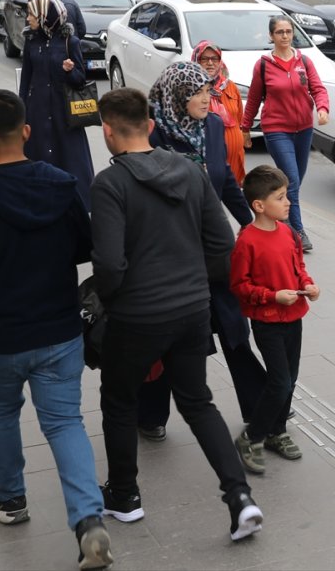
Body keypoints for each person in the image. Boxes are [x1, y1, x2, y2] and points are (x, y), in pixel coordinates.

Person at [91, 87, 264, 542]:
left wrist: (112, 299)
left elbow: (108, 264)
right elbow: (222, 247)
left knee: (120, 401)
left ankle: (125, 496)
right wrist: (191, 282)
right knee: (198, 401)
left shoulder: (109, 184)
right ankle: (240, 497)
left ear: (108, 132)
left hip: (137, 315)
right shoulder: (189, 171)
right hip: (192, 310)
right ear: (150, 125)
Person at [0, 89, 113, 571]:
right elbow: (85, 247)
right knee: (65, 423)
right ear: (25, 131)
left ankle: (9, 496)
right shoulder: (60, 184)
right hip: (58, 330)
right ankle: (88, 522)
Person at [136, 61, 267, 442]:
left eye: (209, 91)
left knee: (232, 325)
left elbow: (224, 179)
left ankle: (262, 408)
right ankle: (150, 413)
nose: (207, 98)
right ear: (178, 95)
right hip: (171, 251)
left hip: (212, 245)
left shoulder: (210, 125)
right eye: (199, 92)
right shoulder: (155, 133)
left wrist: (251, 222)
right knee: (168, 335)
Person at [230, 165, 320, 473]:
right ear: (259, 205)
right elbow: (240, 286)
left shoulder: (288, 232)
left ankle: (277, 432)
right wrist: (272, 296)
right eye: (280, 198)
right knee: (279, 382)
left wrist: (307, 284)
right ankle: (252, 437)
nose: (288, 202)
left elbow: (298, 266)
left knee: (289, 379)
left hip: (294, 316)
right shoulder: (247, 241)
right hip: (267, 321)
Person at [241, 15, 329, 253]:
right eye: (280, 32)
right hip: (277, 128)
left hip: (303, 129)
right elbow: (254, 99)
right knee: (290, 179)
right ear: (271, 36)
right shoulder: (263, 65)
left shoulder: (304, 61)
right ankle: (297, 232)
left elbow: (318, 88)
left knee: (294, 183)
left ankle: (279, 221)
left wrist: (322, 108)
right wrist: (245, 128)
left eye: (288, 32)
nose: (285, 36)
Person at [19, 0, 95, 208]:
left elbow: (80, 79)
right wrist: (21, 110)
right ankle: (41, 201)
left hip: (64, 112)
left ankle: (77, 204)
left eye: (32, 15)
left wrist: (69, 71)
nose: (28, 19)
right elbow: (26, 79)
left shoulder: (71, 42)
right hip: (38, 109)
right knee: (39, 155)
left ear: (45, 16)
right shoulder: (31, 41)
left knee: (69, 157)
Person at [192, 40, 246, 184]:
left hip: (234, 158)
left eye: (214, 58)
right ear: (197, 60)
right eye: (205, 59)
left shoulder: (230, 86)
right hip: (207, 159)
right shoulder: (190, 88)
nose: (210, 63)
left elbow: (239, 117)